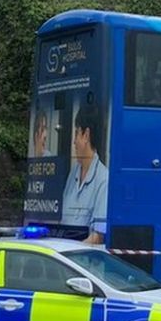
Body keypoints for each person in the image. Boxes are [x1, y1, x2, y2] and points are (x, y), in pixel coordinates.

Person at [60, 103, 108, 245]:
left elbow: (98, 237)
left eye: (76, 134)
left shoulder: (104, 180)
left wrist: (67, 255)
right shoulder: (73, 173)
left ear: (86, 135)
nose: (74, 141)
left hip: (82, 264)